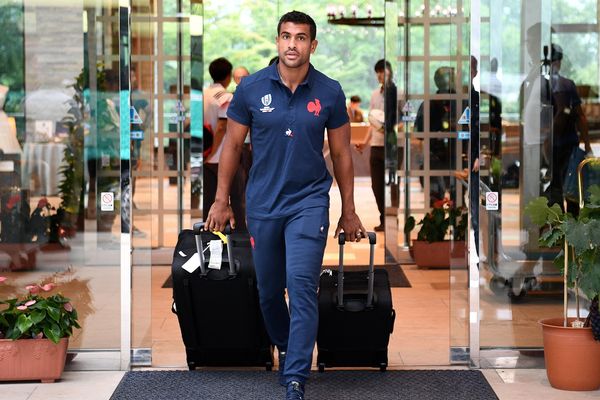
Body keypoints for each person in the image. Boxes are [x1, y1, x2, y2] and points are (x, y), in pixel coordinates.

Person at [204, 11, 366, 400]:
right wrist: (221, 199)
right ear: (277, 41)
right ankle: (287, 344)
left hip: (309, 202)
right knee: (268, 291)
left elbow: (342, 154)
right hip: (263, 203)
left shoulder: (329, 91)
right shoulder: (251, 88)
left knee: (302, 285)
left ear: (313, 45)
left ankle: (295, 375)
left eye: (301, 37)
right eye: (286, 36)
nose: (292, 44)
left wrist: (348, 209)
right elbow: (232, 147)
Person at [546, 44, 592, 215]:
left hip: (554, 146)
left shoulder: (547, 84)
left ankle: (558, 233)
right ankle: (569, 230)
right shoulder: (566, 84)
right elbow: (580, 116)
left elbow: (576, 116)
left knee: (556, 188)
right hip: (566, 146)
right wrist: (587, 146)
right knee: (571, 189)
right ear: (559, 61)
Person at [203, 57, 246, 230]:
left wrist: (206, 153)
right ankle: (238, 238)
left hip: (206, 156)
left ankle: (209, 235)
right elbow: (222, 126)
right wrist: (213, 151)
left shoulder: (204, 95)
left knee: (209, 200)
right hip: (221, 155)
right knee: (236, 198)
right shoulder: (224, 96)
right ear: (228, 76)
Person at [356, 59, 397, 232]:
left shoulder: (397, 93)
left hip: (391, 146)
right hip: (375, 146)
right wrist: (365, 143)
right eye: (378, 72)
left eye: (383, 71)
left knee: (392, 184)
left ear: (390, 72)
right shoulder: (374, 95)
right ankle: (383, 218)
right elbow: (372, 123)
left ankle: (392, 219)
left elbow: (402, 119)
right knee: (376, 185)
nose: (380, 75)